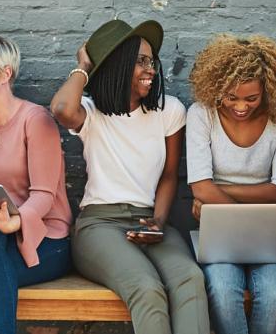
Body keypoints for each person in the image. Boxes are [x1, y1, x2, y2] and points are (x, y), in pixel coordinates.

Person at [51, 19, 210, 334]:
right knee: (146, 287)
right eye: (140, 61)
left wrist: (159, 222)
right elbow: (61, 109)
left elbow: (168, 176)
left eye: (152, 61)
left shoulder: (169, 111)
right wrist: (84, 65)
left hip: (150, 221)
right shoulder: (92, 112)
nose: (150, 69)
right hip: (99, 226)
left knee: (190, 279)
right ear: (119, 65)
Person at [0, 36, 73, 334]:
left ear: (5, 74)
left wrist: (15, 222)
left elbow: (44, 196)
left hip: (47, 240)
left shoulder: (36, 120)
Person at [186, 34, 276, 334]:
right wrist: (211, 194)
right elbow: (199, 188)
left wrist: (218, 195)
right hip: (218, 235)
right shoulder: (201, 114)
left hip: (270, 234)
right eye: (231, 97)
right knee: (223, 295)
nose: (240, 107)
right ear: (217, 88)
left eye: (252, 98)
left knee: (274, 296)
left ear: (268, 90)